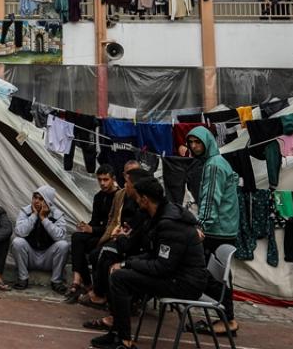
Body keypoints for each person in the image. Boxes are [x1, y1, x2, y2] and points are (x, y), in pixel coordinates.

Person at [89, 175, 210, 349]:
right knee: (119, 273)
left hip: (185, 283)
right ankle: (117, 334)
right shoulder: (160, 215)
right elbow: (154, 254)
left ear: (145, 199)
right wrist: (127, 262)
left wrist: (126, 264)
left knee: (120, 278)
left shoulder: (169, 224)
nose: (136, 202)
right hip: (175, 275)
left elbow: (161, 266)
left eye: (138, 198)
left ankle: (123, 340)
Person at [186, 126, 239, 337]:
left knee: (211, 276)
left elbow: (210, 199)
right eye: (191, 142)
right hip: (225, 227)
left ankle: (228, 319)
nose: (194, 146)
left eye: (197, 142)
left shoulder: (214, 165)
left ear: (207, 142)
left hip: (217, 229)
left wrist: (202, 225)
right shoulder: (216, 162)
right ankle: (226, 318)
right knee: (222, 277)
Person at [81, 163, 146, 310]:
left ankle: (105, 297)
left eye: (106, 179)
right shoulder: (120, 195)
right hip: (118, 236)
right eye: (127, 175)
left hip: (134, 244)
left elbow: (135, 229)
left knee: (105, 254)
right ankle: (95, 289)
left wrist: (120, 235)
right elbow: (113, 219)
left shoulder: (140, 200)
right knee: (91, 248)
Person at [66, 167, 119, 302]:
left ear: (113, 179)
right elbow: (95, 220)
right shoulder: (98, 197)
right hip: (98, 233)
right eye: (100, 180)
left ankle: (87, 285)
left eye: (106, 180)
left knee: (85, 246)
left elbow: (114, 225)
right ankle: (79, 281)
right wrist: (86, 227)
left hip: (110, 236)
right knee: (77, 238)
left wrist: (93, 230)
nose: (102, 183)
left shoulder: (119, 196)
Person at [10, 184, 71, 292]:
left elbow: (60, 236)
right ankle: (23, 278)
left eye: (41, 199)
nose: (36, 201)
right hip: (30, 257)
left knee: (63, 245)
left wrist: (44, 218)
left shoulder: (57, 214)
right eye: (35, 197)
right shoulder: (26, 211)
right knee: (17, 242)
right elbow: (19, 232)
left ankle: (56, 281)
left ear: (48, 201)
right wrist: (34, 215)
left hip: (48, 258)